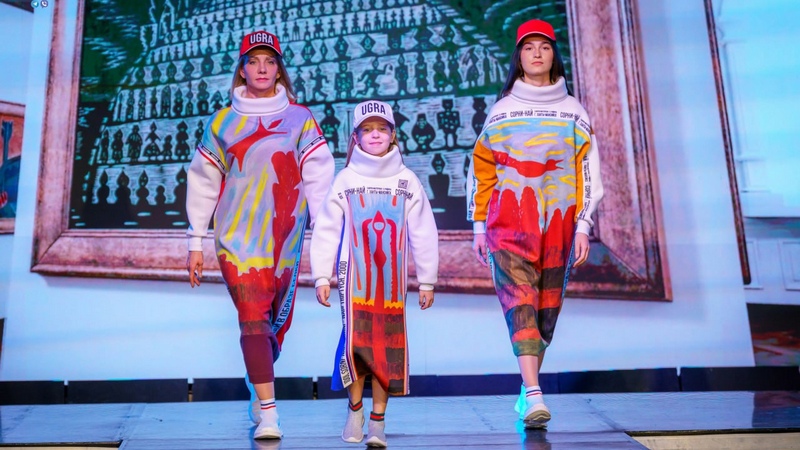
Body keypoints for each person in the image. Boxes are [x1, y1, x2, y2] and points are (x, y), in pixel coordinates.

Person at [185, 30, 334, 440]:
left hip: (284, 239)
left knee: (272, 326)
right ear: (243, 69)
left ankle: (258, 383)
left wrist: (326, 233)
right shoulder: (222, 122)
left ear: (279, 70)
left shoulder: (300, 119)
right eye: (254, 61)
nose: (262, 68)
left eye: (269, 61)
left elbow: (319, 177)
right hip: (236, 240)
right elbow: (202, 182)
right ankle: (269, 412)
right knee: (252, 317)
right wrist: (196, 241)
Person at [467, 19, 604, 428]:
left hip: (558, 228)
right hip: (508, 224)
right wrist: (478, 226)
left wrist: (583, 224)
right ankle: (535, 393)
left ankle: (528, 390)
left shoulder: (573, 112)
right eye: (528, 47)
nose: (537, 53)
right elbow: (481, 171)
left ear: (553, 54)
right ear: (519, 57)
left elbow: (587, 172)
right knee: (519, 304)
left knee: (545, 313)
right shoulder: (502, 111)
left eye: (544, 46)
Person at [310, 100, 439, 447]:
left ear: (393, 134)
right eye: (367, 130)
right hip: (353, 279)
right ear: (355, 138)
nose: (376, 135)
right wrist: (321, 276)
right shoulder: (346, 180)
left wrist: (427, 280)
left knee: (387, 349)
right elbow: (325, 229)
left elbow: (423, 231)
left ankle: (378, 421)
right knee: (356, 345)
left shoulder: (407, 181)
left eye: (382, 128)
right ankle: (355, 412)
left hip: (392, 284)